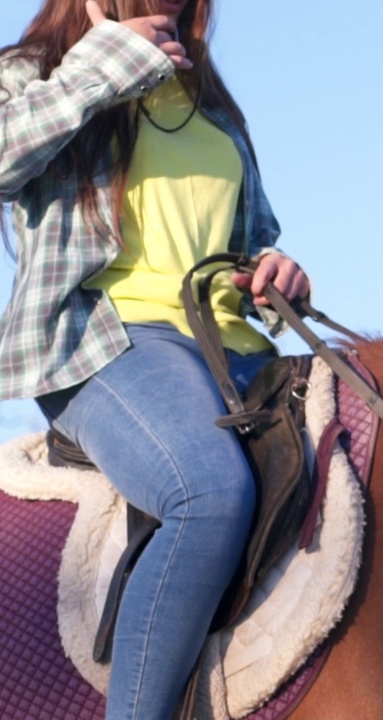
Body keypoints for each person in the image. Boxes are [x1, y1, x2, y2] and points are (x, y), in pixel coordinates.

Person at [0, 1, 309, 717]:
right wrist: (108, 65)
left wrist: (272, 271)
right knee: (207, 493)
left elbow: (251, 235)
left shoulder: (213, 108)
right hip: (108, 341)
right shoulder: (32, 73)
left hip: (235, 346)